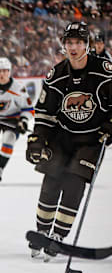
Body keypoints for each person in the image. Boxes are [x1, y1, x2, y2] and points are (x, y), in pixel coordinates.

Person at [26, 21, 112, 260]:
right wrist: (37, 139)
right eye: (69, 42)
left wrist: (110, 125)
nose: (73, 47)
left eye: (78, 42)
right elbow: (44, 113)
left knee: (74, 183)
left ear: (87, 45)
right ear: (64, 45)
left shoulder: (104, 70)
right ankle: (43, 231)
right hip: (62, 136)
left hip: (92, 139)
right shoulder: (56, 74)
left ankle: (59, 236)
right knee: (51, 180)